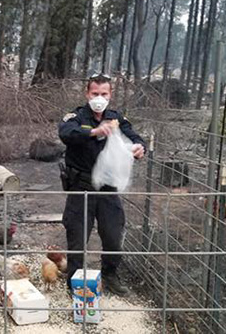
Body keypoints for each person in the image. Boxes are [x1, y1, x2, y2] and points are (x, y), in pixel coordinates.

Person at [58, 73, 146, 296]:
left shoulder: (117, 118)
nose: (99, 98)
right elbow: (66, 133)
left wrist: (138, 147)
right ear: (87, 93)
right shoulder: (76, 116)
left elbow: (133, 136)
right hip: (81, 187)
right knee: (77, 237)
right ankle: (74, 282)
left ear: (110, 95)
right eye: (95, 93)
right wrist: (95, 131)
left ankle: (110, 276)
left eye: (103, 94)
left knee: (113, 235)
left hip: (108, 189)